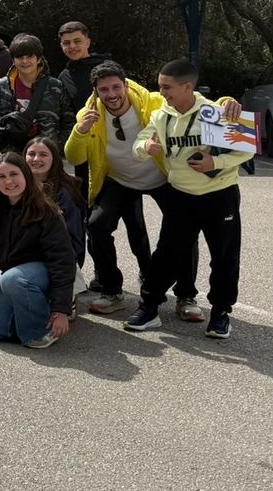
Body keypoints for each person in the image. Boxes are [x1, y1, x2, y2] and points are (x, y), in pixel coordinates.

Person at [124, 59, 254, 340]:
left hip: (219, 196)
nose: (162, 92)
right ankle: (149, 307)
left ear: (187, 87)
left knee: (224, 257)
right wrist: (146, 146)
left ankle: (220, 313)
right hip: (180, 196)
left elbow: (246, 150)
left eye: (166, 87)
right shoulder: (162, 115)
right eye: (160, 86)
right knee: (167, 255)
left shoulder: (213, 112)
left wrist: (215, 161)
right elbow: (138, 144)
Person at [65, 61, 204, 318]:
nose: (112, 94)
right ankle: (112, 290)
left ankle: (186, 295)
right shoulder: (88, 115)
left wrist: (228, 100)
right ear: (96, 92)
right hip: (119, 179)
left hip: (162, 177)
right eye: (104, 90)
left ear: (125, 85)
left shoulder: (153, 102)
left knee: (185, 227)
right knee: (96, 225)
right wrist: (80, 130)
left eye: (116, 87)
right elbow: (73, 157)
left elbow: (194, 101)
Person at [0, 154, 76, 349]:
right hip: (12, 276)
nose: (8, 181)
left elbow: (63, 261)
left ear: (26, 175)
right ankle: (34, 311)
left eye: (14, 174)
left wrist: (61, 309)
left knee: (13, 279)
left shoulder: (46, 211)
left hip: (42, 274)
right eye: (1, 177)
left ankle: (40, 332)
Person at [0, 33, 69, 152]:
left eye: (30, 56)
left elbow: (68, 121)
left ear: (39, 59)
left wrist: (56, 148)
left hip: (46, 156)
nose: (25, 61)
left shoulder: (55, 86)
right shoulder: (0, 87)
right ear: (13, 59)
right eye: (19, 57)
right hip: (11, 157)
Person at [23, 137, 85, 266]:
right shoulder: (17, 187)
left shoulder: (64, 192)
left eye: (43, 155)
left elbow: (71, 240)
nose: (36, 159)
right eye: (31, 154)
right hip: (24, 256)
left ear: (54, 159)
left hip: (57, 261)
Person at [56, 21, 110, 113]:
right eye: (66, 43)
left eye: (77, 41)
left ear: (87, 43)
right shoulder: (64, 77)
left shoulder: (109, 67)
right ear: (61, 46)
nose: (72, 46)